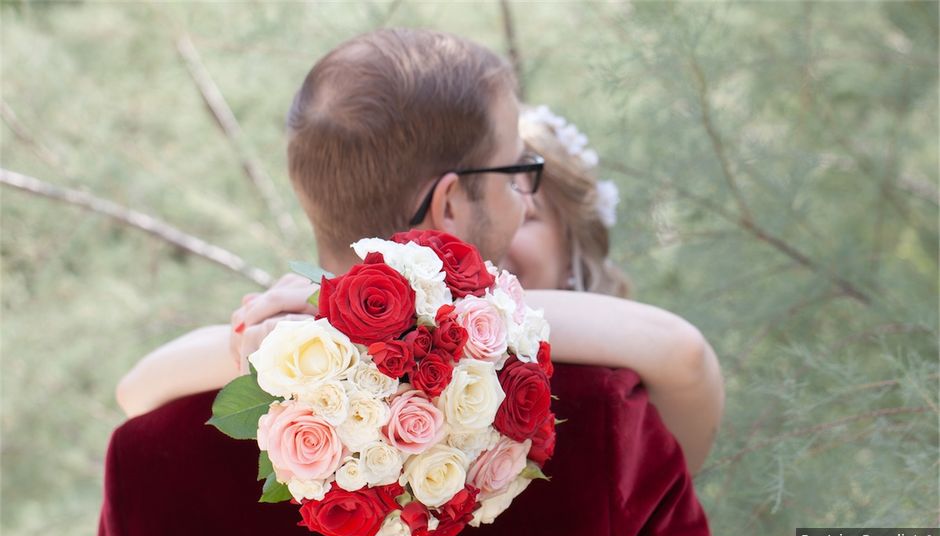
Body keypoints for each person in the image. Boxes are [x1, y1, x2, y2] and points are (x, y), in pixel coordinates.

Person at [97, 28, 712, 536]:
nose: (524, 203)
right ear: (449, 201)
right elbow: (681, 353)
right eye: (516, 173)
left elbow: (134, 390)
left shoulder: (146, 456)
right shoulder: (608, 424)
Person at [115, 105, 723, 474]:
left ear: (574, 241)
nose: (503, 235)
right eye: (501, 204)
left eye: (530, 216)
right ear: (449, 207)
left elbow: (682, 353)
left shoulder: (627, 383)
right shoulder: (370, 352)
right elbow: (137, 388)